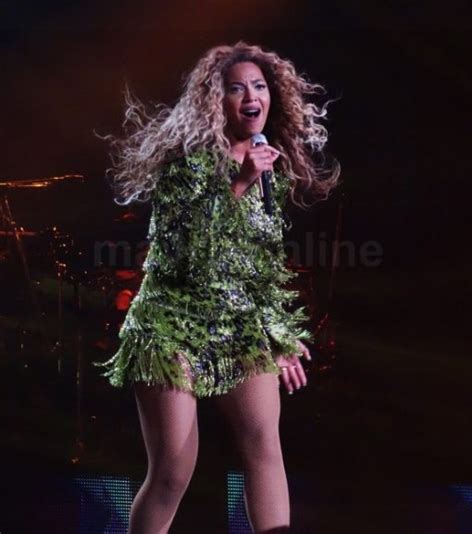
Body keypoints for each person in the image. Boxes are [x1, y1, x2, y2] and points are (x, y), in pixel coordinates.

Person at [93, 41, 340, 534]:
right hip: (171, 324)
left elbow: (261, 267)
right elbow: (184, 253)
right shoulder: (185, 167)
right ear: (215, 101)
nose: (252, 95)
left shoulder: (269, 167)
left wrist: (277, 335)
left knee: (265, 448)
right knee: (171, 474)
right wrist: (240, 183)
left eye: (260, 86)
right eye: (236, 88)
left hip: (237, 325)